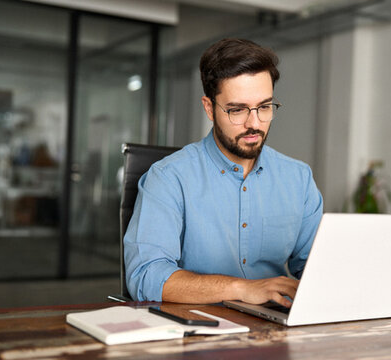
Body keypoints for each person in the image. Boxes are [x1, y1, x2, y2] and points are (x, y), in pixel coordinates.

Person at [123, 38, 323, 307]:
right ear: (209, 108)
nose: (254, 124)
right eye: (237, 110)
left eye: (264, 107)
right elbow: (146, 277)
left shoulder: (298, 179)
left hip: (275, 330)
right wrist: (242, 289)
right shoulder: (169, 178)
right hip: (197, 330)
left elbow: (316, 269)